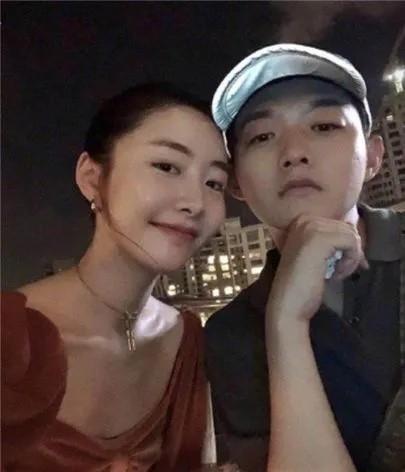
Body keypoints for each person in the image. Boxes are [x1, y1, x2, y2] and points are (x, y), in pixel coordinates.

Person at [1, 83, 231, 471]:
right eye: (167, 167)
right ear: (92, 178)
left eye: (214, 183)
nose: (195, 203)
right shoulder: (9, 338)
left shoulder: (187, 342)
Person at [205, 44, 402, 471]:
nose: (294, 152)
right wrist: (285, 323)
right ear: (236, 182)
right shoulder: (229, 335)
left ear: (374, 156)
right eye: (262, 136)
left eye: (324, 126)